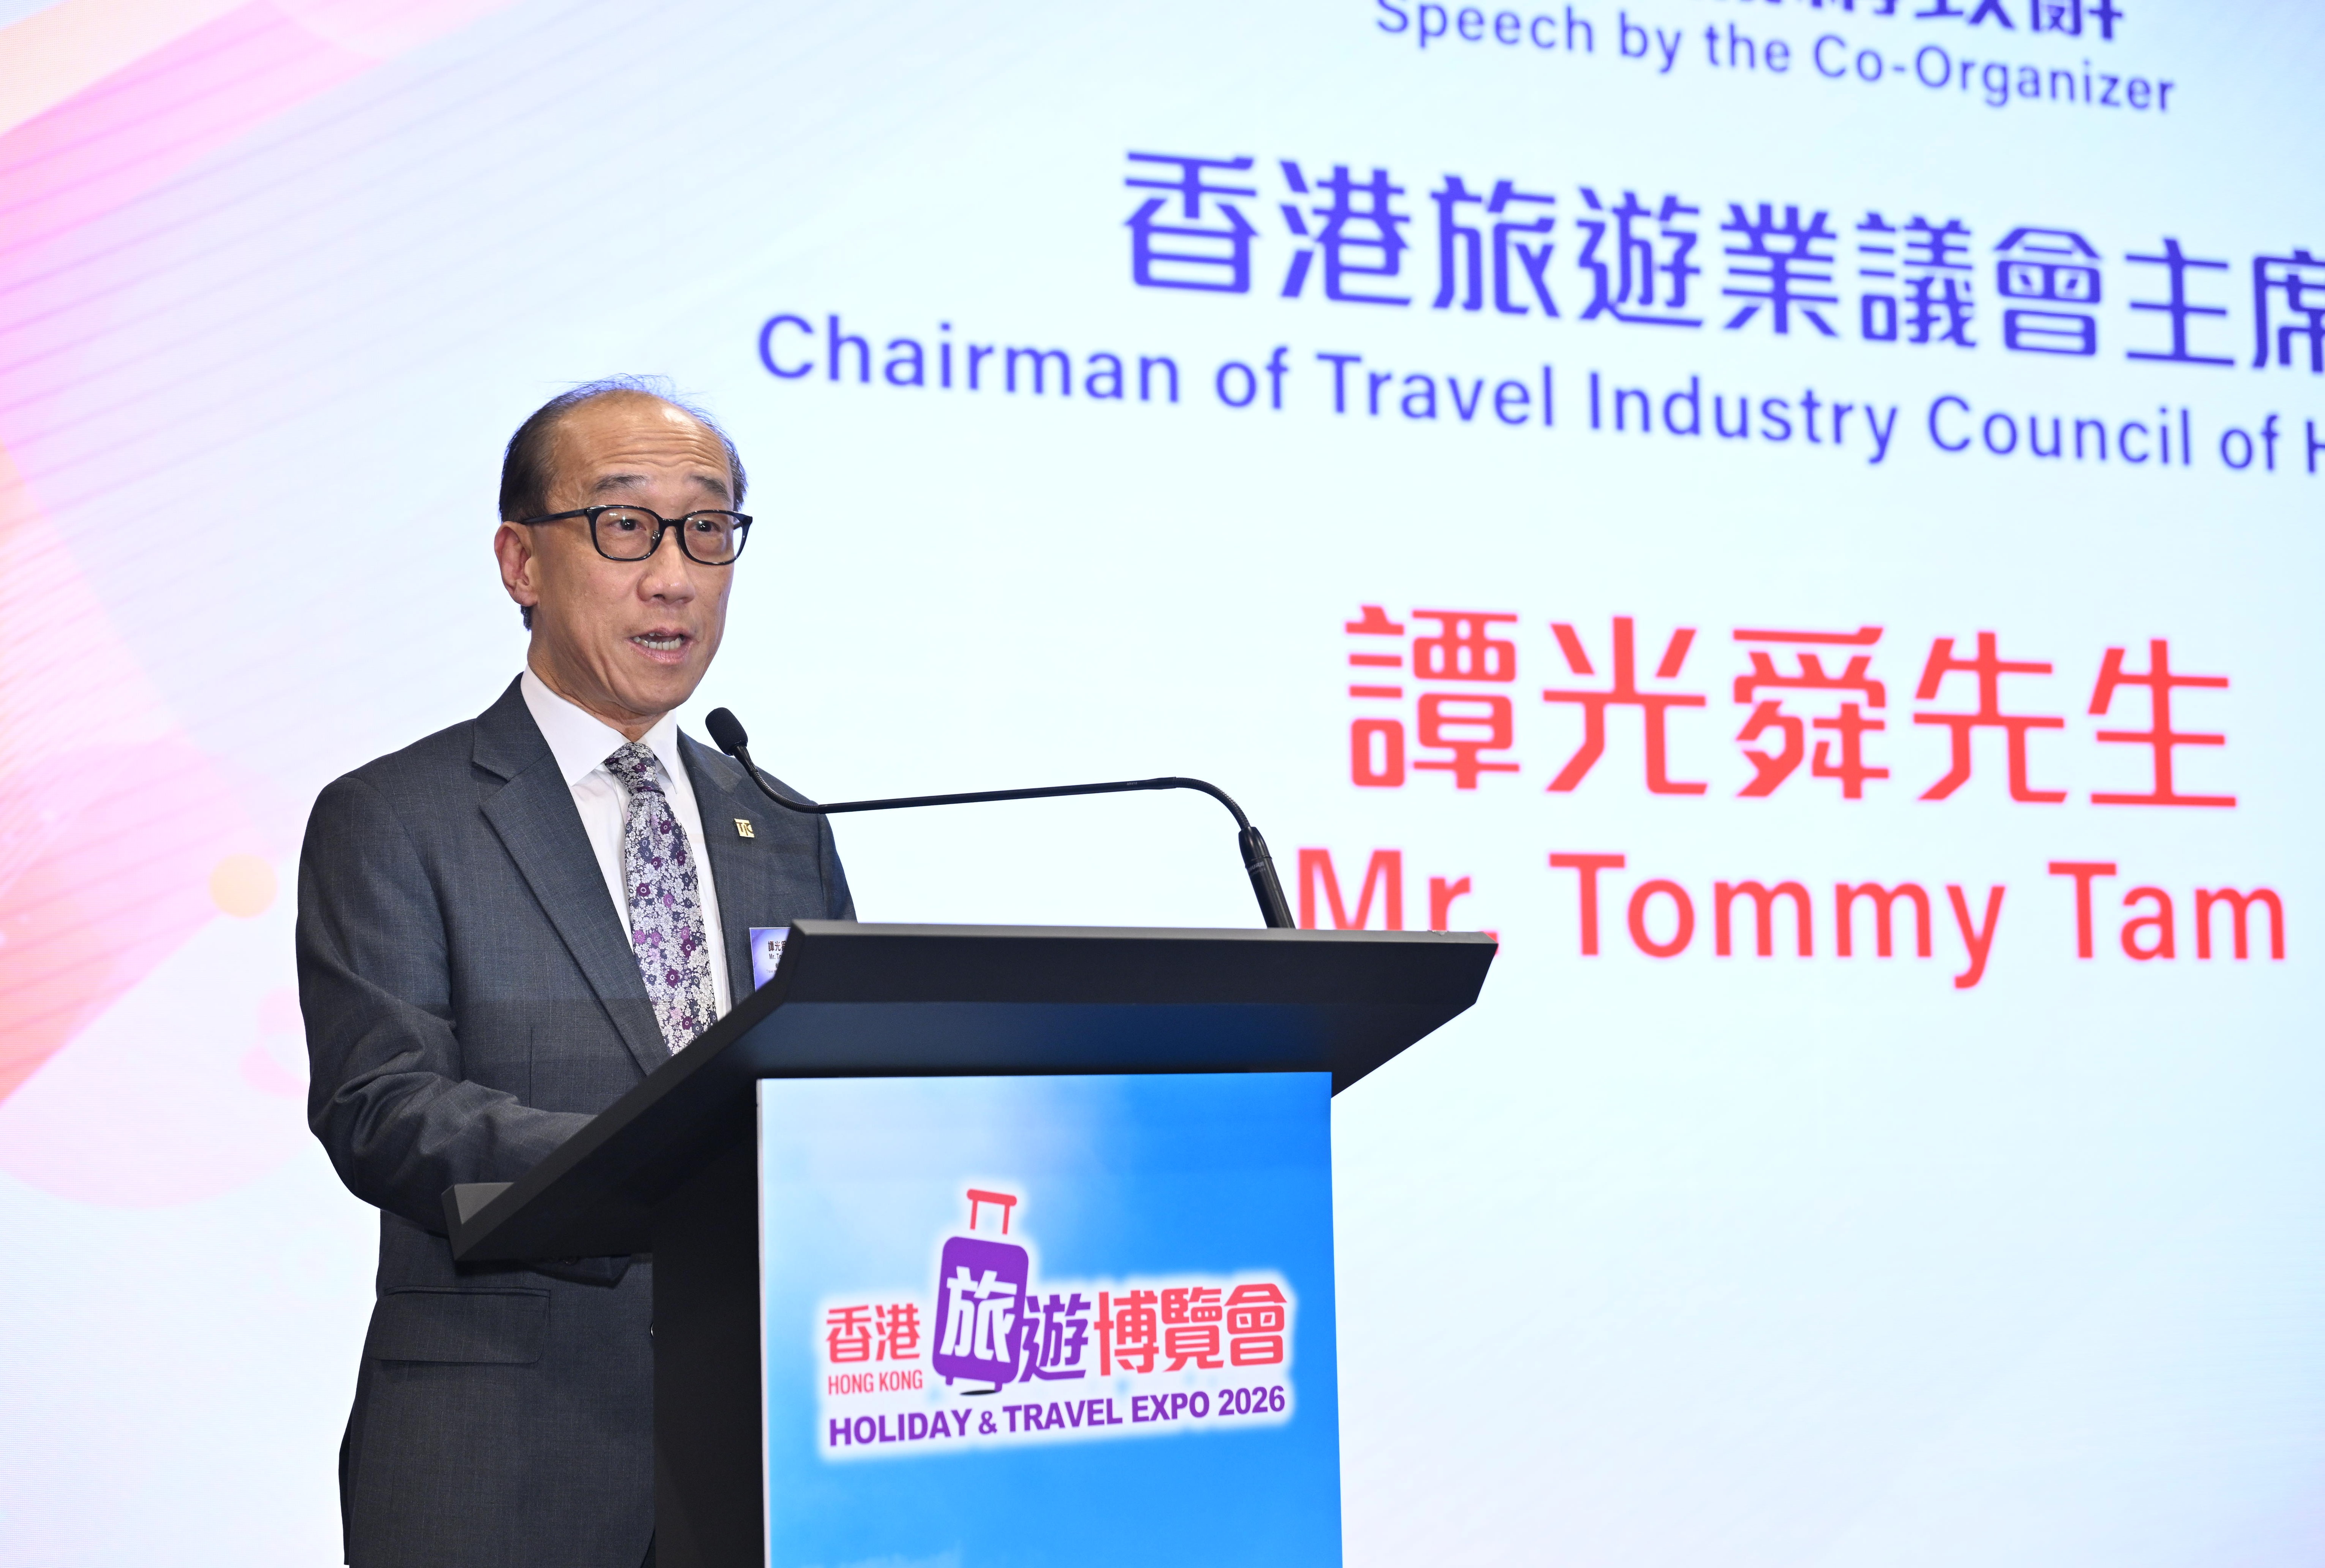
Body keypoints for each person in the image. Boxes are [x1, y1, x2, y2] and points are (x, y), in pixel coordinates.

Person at [298, 379, 850, 1568]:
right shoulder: (397, 817)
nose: (675, 577)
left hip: (762, 1460)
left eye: (708, 529)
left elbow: (834, 1097)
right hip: (504, 1459)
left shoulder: (784, 826)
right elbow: (381, 1106)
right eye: (626, 526)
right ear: (521, 562)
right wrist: (673, 1158)